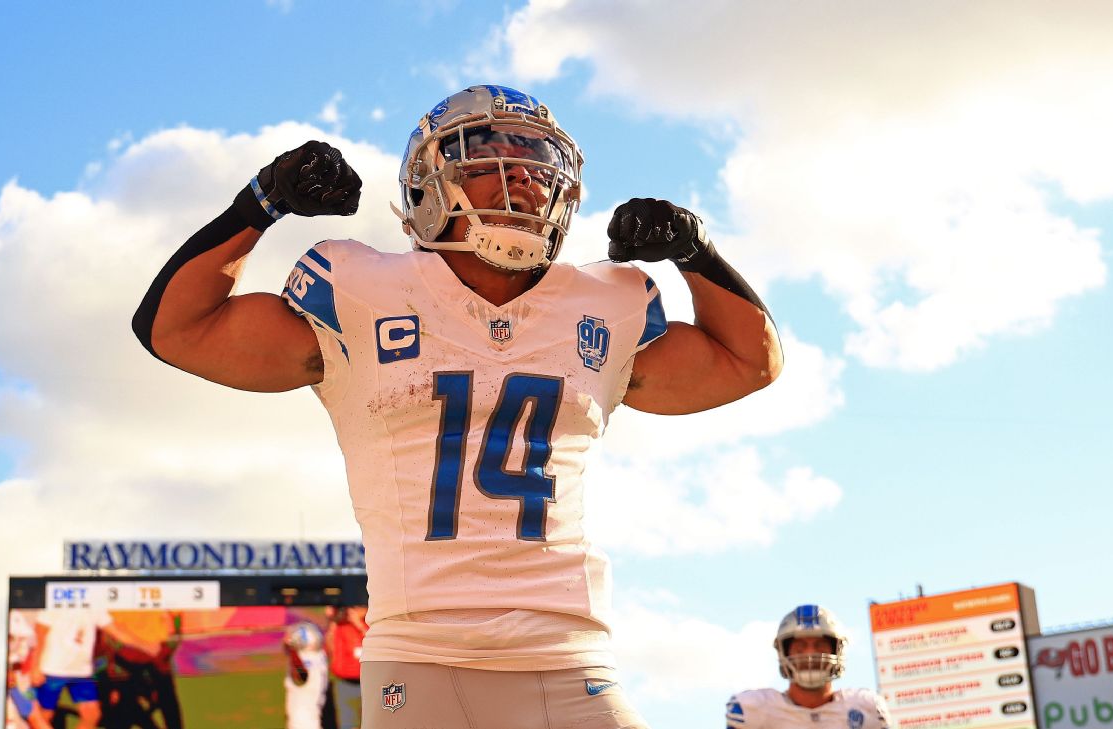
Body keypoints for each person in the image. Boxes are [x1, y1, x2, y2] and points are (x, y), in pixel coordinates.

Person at [133, 84, 782, 729]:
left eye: (536, 158)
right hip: (420, 654)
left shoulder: (605, 303)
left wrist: (696, 252)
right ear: (429, 182)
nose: (522, 174)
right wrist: (262, 202)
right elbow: (177, 330)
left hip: (569, 654)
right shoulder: (359, 290)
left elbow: (747, 362)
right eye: (495, 152)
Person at [726, 605, 893, 728]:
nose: (810, 654)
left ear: (837, 651)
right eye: (800, 647)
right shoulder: (753, 710)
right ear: (784, 652)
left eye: (820, 645)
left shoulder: (867, 709)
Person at [30, 607, 160, 729]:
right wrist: (35, 666)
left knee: (92, 714)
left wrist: (145, 645)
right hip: (53, 669)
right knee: (45, 716)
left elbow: (116, 631)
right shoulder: (57, 603)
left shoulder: (95, 606)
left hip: (82, 671)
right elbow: (39, 635)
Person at [324, 607, 366, 729]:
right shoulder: (340, 626)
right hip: (344, 684)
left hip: (368, 683)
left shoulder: (370, 624)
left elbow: (377, 646)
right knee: (347, 723)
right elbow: (329, 650)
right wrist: (332, 622)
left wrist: (358, 625)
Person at [284, 620, 331, 729]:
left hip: (302, 724)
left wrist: (292, 650)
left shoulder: (301, 661)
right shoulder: (320, 656)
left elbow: (301, 675)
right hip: (313, 719)